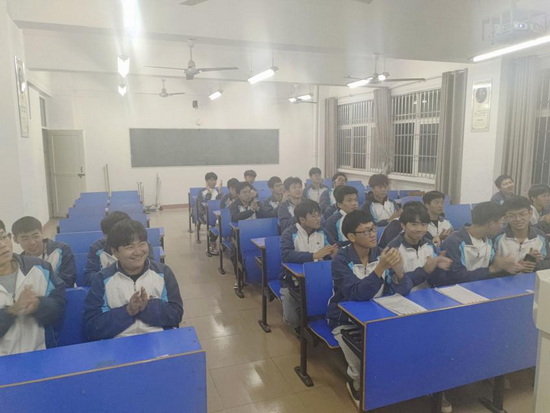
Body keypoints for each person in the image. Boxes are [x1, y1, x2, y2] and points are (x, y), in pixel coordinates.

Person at [327, 210, 411, 407]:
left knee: (401, 349)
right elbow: (357, 293)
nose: (373, 234)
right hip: (346, 320)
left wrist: (399, 270)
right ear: (351, 237)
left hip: (378, 315)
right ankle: (354, 382)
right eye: (366, 231)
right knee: (360, 365)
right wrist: (380, 268)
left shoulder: (381, 253)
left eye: (373, 229)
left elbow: (404, 289)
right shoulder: (340, 260)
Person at [83, 220, 183, 341]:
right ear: (115, 252)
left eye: (142, 244)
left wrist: (146, 307)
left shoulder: (163, 273)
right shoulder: (102, 279)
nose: (138, 252)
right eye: (129, 247)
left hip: (159, 340)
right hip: (118, 343)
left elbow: (176, 314)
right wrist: (128, 311)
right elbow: (92, 327)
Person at [0, 219, 66, 355]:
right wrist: (12, 310)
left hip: (40, 354)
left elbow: (59, 307)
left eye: (3, 237)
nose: (2, 245)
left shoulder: (40, 267)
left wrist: (39, 304)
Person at [280, 200, 337, 330]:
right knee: (293, 321)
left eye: (319, 215)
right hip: (293, 282)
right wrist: (313, 256)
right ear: (302, 219)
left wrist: (334, 255)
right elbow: (286, 255)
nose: (318, 219)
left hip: (320, 279)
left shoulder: (323, 232)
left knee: (321, 312)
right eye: (313, 216)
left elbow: (334, 249)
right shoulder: (289, 233)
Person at [440, 202, 522, 285]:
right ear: (492, 224)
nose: (502, 227)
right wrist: (492, 269)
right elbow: (457, 277)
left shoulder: (488, 240)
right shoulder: (454, 242)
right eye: (502, 223)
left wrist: (507, 269)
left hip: (483, 287)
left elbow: (491, 272)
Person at [386, 203, 453, 290]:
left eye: (423, 225)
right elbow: (394, 287)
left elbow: (435, 282)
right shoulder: (393, 249)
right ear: (403, 225)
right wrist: (424, 271)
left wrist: (439, 269)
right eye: (414, 224)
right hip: (402, 296)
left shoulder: (430, 245)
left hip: (427, 294)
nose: (419, 229)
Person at [84, 211, 152, 287]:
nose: (137, 251)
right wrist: (106, 274)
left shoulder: (143, 246)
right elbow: (88, 278)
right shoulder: (97, 248)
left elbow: (152, 270)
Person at [11, 216, 76, 287]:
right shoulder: (20, 263)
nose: (32, 242)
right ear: (15, 240)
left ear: (42, 233)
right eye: (25, 239)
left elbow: (68, 281)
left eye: (36, 236)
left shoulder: (62, 250)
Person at [494, 196, 550, 273]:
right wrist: (508, 268)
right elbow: (491, 266)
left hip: (532, 279)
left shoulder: (540, 237)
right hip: (504, 279)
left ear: (530, 213)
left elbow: (547, 262)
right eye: (512, 215)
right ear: (506, 217)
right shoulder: (497, 237)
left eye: (522, 214)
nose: (518, 219)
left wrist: (534, 264)